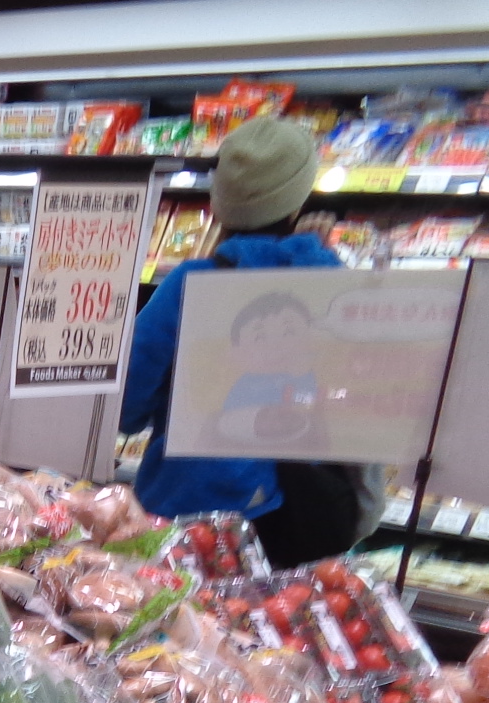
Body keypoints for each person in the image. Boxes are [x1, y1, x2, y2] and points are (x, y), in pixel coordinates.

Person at [121, 114, 382, 566]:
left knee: (175, 610)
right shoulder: (334, 286)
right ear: (298, 197)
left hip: (182, 510)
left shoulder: (189, 284)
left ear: (220, 202)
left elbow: (126, 407)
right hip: (293, 518)